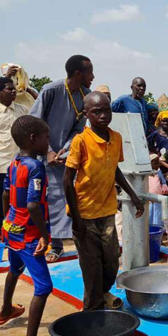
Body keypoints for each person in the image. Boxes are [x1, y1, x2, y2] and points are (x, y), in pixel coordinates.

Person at [64, 92, 144, 311]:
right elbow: (67, 179)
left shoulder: (116, 137)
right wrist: (76, 218)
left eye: (106, 110)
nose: (103, 115)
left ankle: (101, 294)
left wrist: (134, 196)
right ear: (86, 114)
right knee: (91, 266)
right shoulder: (81, 141)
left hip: (107, 210)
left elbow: (114, 169)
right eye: (96, 111)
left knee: (110, 260)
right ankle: (91, 310)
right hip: (85, 214)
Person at [0, 115, 56, 336]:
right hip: (29, 234)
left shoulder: (14, 164)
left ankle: (6, 309)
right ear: (34, 139)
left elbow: (6, 195)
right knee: (44, 287)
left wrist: (4, 223)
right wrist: (44, 234)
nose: (47, 141)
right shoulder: (35, 167)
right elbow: (32, 204)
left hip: (11, 227)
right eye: (46, 137)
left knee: (14, 269)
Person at [29, 55, 93, 262]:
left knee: (63, 198)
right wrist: (47, 150)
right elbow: (33, 122)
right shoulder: (51, 90)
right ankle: (47, 243)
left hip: (64, 156)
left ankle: (60, 245)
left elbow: (78, 128)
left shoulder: (86, 95)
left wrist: (64, 150)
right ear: (77, 74)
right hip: (40, 154)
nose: (93, 76)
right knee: (40, 201)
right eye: (89, 72)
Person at [0, 77, 29, 237]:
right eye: (9, 89)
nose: (13, 91)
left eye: (14, 89)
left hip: (21, 163)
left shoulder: (23, 110)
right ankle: (1, 228)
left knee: (20, 197)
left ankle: (20, 227)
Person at [148, 153, 168, 231]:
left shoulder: (158, 172)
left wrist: (164, 188)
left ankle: (158, 231)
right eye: (155, 163)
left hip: (157, 200)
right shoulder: (145, 174)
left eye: (158, 163)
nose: (158, 166)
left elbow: (163, 182)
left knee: (157, 216)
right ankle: (148, 233)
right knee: (149, 216)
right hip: (148, 201)